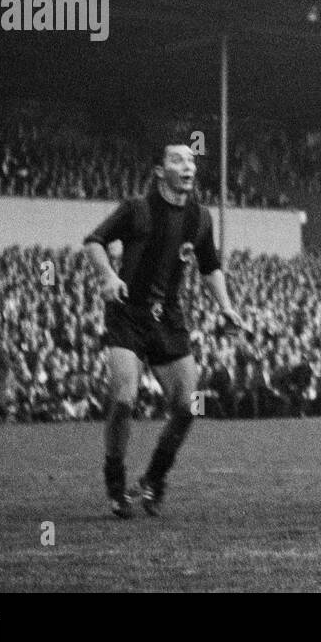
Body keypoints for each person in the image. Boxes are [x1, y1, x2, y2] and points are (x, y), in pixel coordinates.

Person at [84, 141, 246, 518]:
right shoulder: (136, 209)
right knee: (124, 397)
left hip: (168, 317)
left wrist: (226, 307)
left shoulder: (200, 218)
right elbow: (93, 242)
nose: (187, 165)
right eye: (177, 159)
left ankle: (155, 478)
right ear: (160, 171)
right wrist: (107, 275)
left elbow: (209, 266)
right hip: (127, 312)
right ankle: (115, 483)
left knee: (189, 405)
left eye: (191, 160)